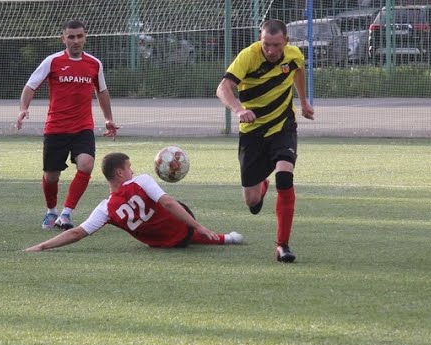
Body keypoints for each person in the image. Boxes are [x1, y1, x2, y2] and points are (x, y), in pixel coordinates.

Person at [215, 18, 315, 263]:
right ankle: (261, 187)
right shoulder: (248, 56)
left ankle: (282, 246)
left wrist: (303, 102)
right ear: (260, 39)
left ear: (286, 42)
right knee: (252, 201)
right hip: (253, 132)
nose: (270, 50)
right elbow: (223, 88)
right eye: (266, 44)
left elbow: (298, 70)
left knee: (285, 177)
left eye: (276, 45)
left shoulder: (293, 55)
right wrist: (239, 110)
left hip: (283, 126)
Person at [16, 19, 120, 231]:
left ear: (85, 37)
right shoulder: (52, 61)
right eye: (71, 37)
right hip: (56, 128)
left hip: (83, 127)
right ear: (63, 38)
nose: (76, 41)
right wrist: (23, 108)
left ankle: (66, 213)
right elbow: (30, 86)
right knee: (51, 176)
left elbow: (101, 91)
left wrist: (108, 119)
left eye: (79, 36)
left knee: (86, 164)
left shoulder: (94, 64)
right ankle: (51, 211)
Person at [24, 152, 244, 252]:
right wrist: (198, 226)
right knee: (172, 208)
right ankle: (225, 238)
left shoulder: (106, 208)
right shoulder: (141, 181)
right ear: (120, 172)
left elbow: (76, 233)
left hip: (166, 244)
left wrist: (42, 246)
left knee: (171, 229)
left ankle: (225, 238)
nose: (133, 170)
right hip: (184, 228)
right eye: (129, 167)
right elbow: (168, 203)